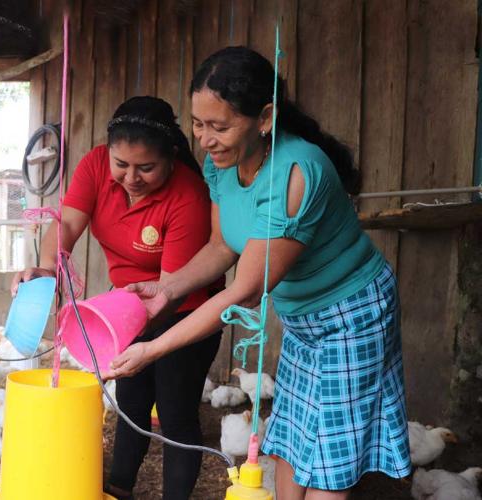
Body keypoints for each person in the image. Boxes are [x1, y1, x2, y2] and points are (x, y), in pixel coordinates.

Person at [105, 47, 411, 500]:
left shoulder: (293, 175)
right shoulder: (222, 165)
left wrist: (154, 347)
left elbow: (244, 291)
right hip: (303, 318)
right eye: (197, 124)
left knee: (331, 457)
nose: (205, 139)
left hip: (353, 313)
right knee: (289, 437)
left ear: (264, 118)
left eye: (220, 126)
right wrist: (166, 289)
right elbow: (221, 246)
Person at [11, 96, 224, 500]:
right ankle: (118, 489)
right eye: (121, 164)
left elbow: (166, 291)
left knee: (176, 414)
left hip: (184, 310)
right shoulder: (94, 166)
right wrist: (46, 269)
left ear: (171, 157)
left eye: (146, 167)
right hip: (127, 308)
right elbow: (68, 223)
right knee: (130, 405)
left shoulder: (188, 196)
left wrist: (120, 337)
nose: (131, 177)